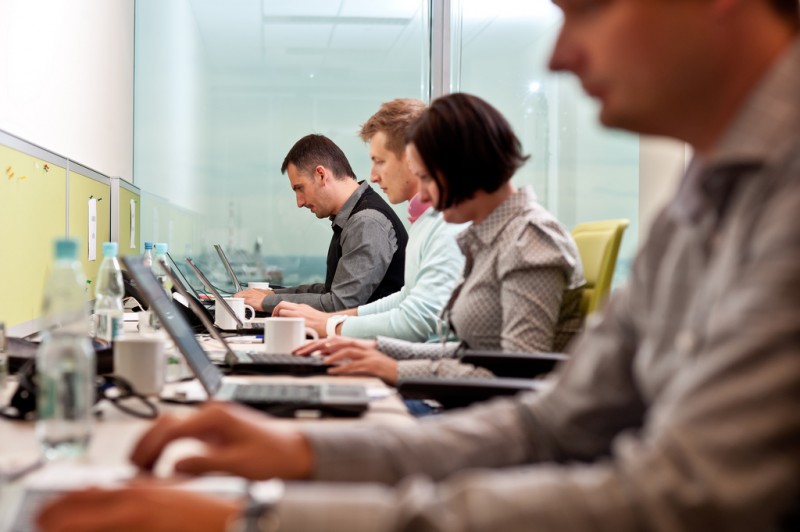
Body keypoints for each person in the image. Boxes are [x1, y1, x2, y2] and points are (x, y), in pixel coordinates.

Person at [38, 0, 800, 530]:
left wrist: (261, 515)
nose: (562, 55)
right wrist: (305, 451)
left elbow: (679, 499)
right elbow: (548, 419)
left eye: (591, 6)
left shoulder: (769, 207)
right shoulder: (706, 200)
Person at [293, 93, 585, 385]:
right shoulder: (491, 236)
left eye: (429, 179)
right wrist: (375, 349)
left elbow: (512, 378)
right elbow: (466, 352)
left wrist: (392, 368)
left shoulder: (529, 240)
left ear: (465, 166)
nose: (424, 196)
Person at [272, 99, 466, 342]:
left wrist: (333, 326)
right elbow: (406, 299)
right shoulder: (427, 221)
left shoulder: (446, 224)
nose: (373, 176)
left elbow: (419, 321)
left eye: (380, 161)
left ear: (414, 159)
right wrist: (333, 322)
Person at [235, 134, 408, 313]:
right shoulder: (353, 218)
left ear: (321, 175)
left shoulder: (366, 222)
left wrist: (267, 302)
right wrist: (269, 294)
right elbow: (330, 291)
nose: (299, 202)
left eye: (299, 188)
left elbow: (339, 304)